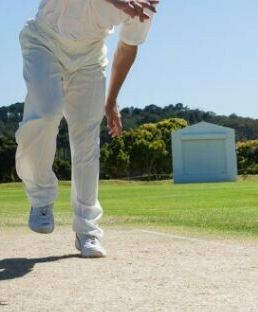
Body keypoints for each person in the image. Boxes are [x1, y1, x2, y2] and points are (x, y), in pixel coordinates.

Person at [15, 0, 159, 258]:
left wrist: (112, 99)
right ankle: (40, 197)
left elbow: (127, 47)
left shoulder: (144, 4)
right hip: (44, 41)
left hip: (90, 57)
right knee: (46, 113)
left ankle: (87, 230)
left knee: (86, 139)